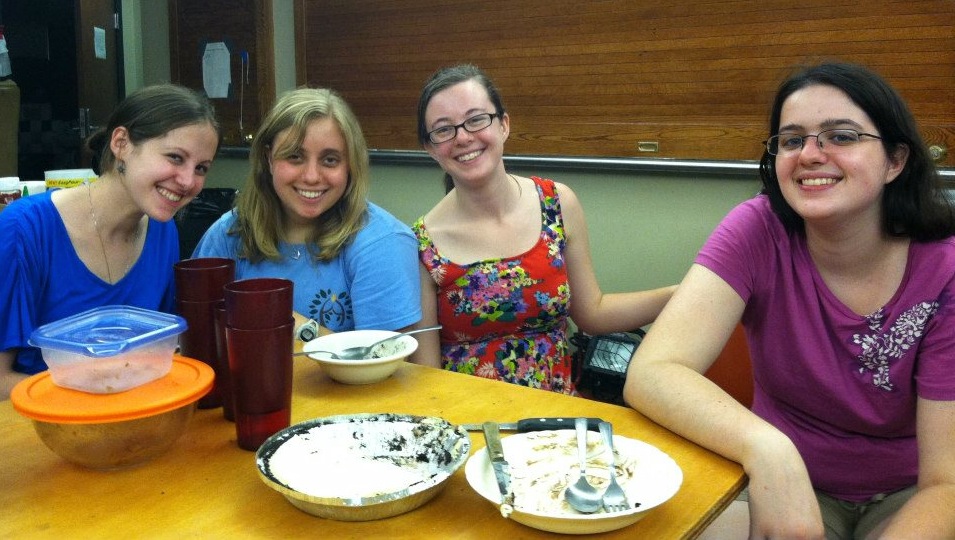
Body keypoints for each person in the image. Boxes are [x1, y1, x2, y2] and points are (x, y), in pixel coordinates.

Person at [624, 61, 955, 539]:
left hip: (910, 493)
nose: (810, 155)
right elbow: (653, 371)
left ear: (895, 160)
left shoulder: (943, 268)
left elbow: (945, 483)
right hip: (784, 480)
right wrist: (769, 451)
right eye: (792, 139)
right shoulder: (756, 229)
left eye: (841, 136)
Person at [409, 64, 676, 394]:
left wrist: (679, 295)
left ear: (504, 124)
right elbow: (428, 378)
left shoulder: (558, 203)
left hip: (557, 425)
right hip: (476, 425)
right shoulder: (420, 244)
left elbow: (592, 313)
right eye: (443, 130)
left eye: (476, 119)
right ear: (430, 148)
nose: (464, 137)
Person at [0, 84, 220, 399]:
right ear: (121, 143)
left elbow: (163, 356)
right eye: (175, 157)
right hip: (41, 432)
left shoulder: (162, 230)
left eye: (201, 168)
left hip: (133, 424)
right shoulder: (22, 230)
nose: (187, 181)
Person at [192, 88, 420, 332]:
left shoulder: (382, 242)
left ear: (350, 166)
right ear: (269, 159)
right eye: (294, 157)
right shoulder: (227, 234)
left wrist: (296, 327)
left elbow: (383, 361)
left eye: (330, 160)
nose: (312, 177)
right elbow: (196, 341)